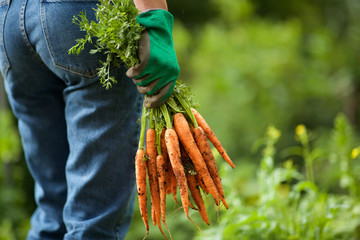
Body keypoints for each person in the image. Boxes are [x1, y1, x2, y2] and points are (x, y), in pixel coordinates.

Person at [0, 0, 179, 238]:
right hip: (78, 15)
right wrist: (155, 19)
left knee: (52, 212)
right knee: (92, 223)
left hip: (9, 21)